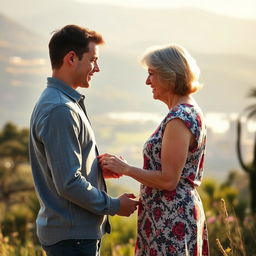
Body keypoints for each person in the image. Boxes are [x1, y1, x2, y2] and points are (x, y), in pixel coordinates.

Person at [29, 24, 138, 256]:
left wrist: (96, 170)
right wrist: (115, 206)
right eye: (93, 60)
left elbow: (60, 169)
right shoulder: (60, 109)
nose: (97, 68)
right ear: (71, 58)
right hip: (73, 240)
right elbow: (68, 183)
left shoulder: (59, 102)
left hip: (73, 237)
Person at [99, 44, 209, 255]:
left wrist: (127, 168)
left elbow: (168, 180)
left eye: (151, 74)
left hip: (171, 218)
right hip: (168, 215)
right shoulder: (185, 112)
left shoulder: (179, 118)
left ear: (169, 75)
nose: (147, 81)